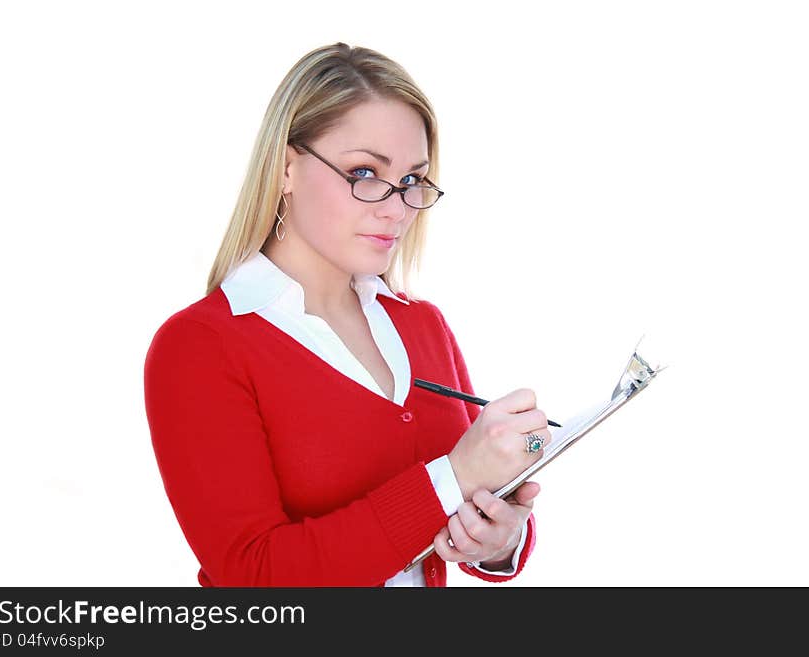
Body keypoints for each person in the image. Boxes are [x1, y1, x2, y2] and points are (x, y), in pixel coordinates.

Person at [143, 42, 553, 587]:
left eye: (412, 180)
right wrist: (453, 477)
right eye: (365, 172)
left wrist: (498, 540)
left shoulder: (420, 324)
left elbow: (460, 519)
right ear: (287, 168)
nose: (396, 207)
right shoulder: (201, 346)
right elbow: (253, 577)